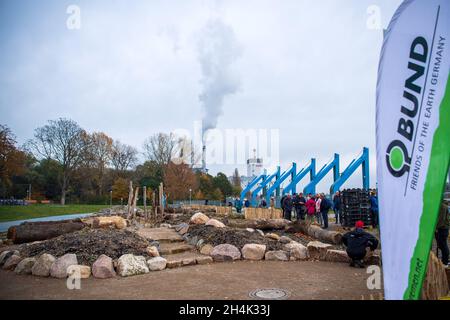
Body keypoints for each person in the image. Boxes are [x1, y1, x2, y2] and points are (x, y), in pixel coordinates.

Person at [435, 200, 449, 267]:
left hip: (442, 229)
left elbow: (441, 220)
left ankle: (445, 262)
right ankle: (444, 261)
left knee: (443, 246)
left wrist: (435, 228)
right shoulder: (442, 205)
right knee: (441, 246)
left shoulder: (442, 206)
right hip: (441, 228)